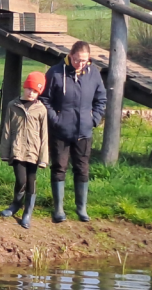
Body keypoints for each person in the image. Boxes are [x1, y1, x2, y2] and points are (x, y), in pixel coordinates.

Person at [40, 40, 106, 223]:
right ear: (70, 56)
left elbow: (101, 99)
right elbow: (45, 99)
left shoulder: (94, 73)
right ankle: (58, 209)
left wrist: (94, 119)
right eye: (77, 60)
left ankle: (81, 208)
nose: (80, 64)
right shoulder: (55, 72)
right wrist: (56, 120)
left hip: (84, 131)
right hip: (60, 130)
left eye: (84, 60)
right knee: (59, 167)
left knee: (82, 169)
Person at [0, 72, 49, 229]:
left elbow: (44, 135)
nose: (31, 93)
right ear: (24, 86)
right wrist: (4, 152)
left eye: (35, 91)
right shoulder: (13, 106)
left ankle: (28, 212)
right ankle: (16, 204)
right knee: (21, 180)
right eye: (29, 89)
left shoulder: (41, 110)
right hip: (17, 150)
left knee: (31, 182)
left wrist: (43, 158)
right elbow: (6, 130)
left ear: (38, 93)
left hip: (34, 153)